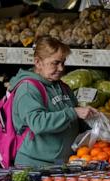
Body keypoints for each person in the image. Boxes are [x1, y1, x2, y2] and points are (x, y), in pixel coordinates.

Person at [10, 35, 98, 167]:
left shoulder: (62, 87)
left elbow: (74, 121)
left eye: (63, 62)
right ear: (38, 62)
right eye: (55, 63)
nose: (61, 68)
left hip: (61, 163)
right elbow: (38, 123)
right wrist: (73, 112)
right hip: (34, 166)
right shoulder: (28, 89)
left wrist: (97, 122)